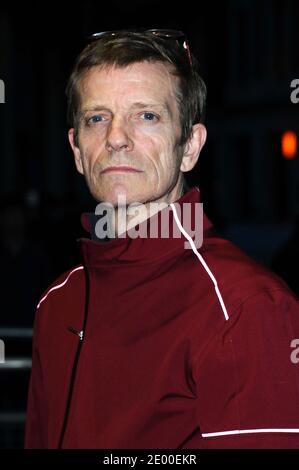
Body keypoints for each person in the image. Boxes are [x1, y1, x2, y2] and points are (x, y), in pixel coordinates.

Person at [25, 29, 299, 449]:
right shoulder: (57, 301)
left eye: (146, 115)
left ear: (189, 146)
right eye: (97, 117)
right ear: (78, 150)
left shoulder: (245, 306)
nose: (116, 137)